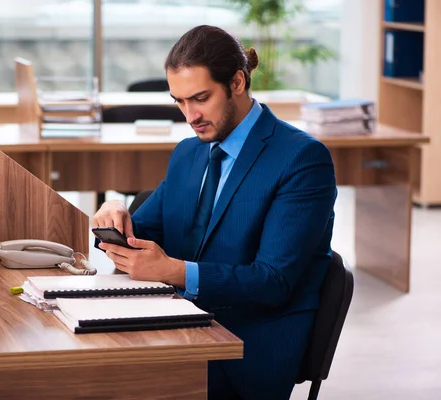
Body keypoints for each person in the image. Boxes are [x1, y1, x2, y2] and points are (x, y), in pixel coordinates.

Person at [92, 25, 337, 400]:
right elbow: (142, 230)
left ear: (237, 82)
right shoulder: (189, 153)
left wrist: (172, 270)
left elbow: (274, 281)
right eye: (179, 101)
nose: (190, 115)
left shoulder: (301, 158)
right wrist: (115, 209)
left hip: (247, 346)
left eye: (200, 98)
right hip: (177, 325)